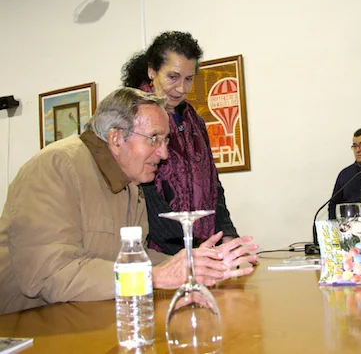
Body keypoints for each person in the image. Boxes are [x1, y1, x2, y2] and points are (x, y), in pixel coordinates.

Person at [0, 88, 258, 315]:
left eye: (166, 140)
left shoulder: (132, 185)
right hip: (28, 326)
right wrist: (154, 276)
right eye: (154, 138)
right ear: (115, 139)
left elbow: (136, 257)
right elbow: (48, 275)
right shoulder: (56, 167)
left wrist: (191, 264)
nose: (164, 153)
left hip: (89, 317)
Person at [122, 31, 241, 255]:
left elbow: (212, 182)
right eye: (173, 77)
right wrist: (186, 248)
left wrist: (226, 233)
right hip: (160, 252)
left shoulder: (193, 120)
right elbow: (142, 193)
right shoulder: (132, 115)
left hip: (202, 250)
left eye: (188, 79)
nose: (182, 89)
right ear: (152, 71)